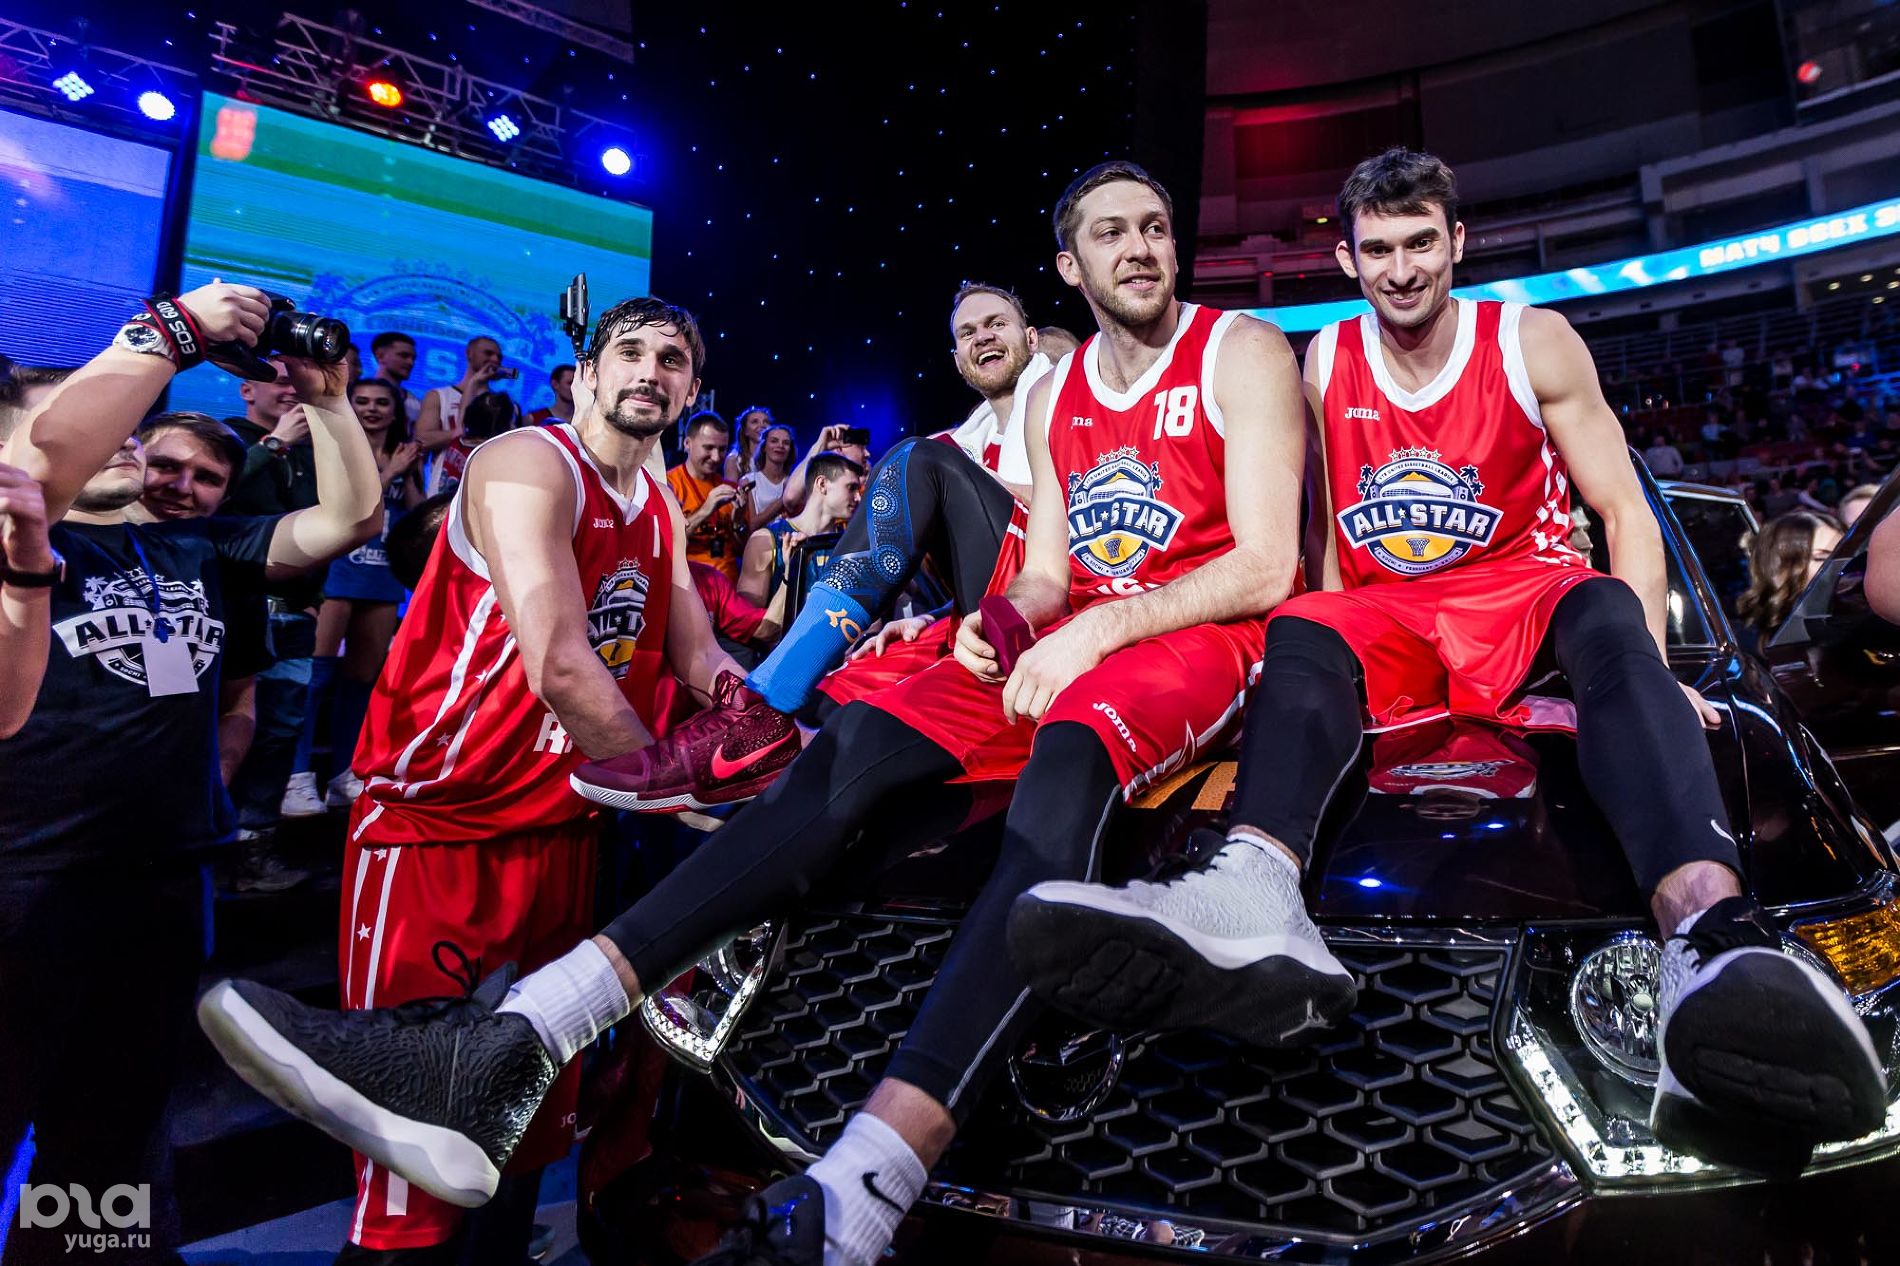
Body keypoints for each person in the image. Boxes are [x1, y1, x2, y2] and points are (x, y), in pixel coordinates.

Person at [195, 160, 1309, 1266]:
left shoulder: (1232, 351)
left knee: (1040, 757)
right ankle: (518, 1036)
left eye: (1155, 226)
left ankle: (863, 1186)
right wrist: (1002, 622)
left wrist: (1054, 633)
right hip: (466, 805)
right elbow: (1045, 573)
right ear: (1070, 262)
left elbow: (1263, 565)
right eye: (1110, 232)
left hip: (1176, 643)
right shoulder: (541, 462)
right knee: (855, 746)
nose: (1138, 248)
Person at [1008, 146, 1885, 1175]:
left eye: (1420, 242)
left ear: (1457, 241)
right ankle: (1255, 893)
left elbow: (1621, 512)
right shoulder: (1323, 360)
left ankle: (1709, 937)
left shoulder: (1531, 341)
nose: (1402, 269)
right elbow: (1323, 549)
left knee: (1602, 603)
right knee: (1307, 620)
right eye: (1378, 249)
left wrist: (1651, 671)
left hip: (1526, 591)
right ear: (1346, 258)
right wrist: (1307, 662)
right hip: (1396, 615)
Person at [199, 295, 798, 1263]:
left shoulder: (656, 506)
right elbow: (560, 663)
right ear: (588, 373)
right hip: (439, 826)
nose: (651, 371)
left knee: (520, 1133)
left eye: (673, 359)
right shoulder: (527, 462)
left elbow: (699, 656)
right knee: (415, 1159)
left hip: (564, 828)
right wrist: (681, 792)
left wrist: (772, 732)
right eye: (631, 352)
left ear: (695, 389)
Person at [1, 282, 382, 1265]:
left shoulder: (196, 546)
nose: (127, 440)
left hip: (167, 879)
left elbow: (347, 519)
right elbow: (44, 460)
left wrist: (331, 401)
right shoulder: (29, 544)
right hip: (27, 878)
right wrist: (170, 332)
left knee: (113, 1135)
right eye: (114, 425)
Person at [618, 280, 1060, 809]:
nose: (982, 337)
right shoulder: (968, 439)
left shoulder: (1065, 398)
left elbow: (1075, 527)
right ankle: (755, 766)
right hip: (980, 615)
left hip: (1054, 609)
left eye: (996, 324)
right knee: (834, 698)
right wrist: (929, 617)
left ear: (1032, 339)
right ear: (957, 358)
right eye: (967, 332)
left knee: (919, 458)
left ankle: (761, 701)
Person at [282, 377, 424, 816]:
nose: (372, 408)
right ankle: (297, 776)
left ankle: (343, 772)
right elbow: (344, 506)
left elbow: (418, 515)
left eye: (381, 402)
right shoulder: (336, 448)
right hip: (337, 569)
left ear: (395, 410)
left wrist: (407, 472)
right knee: (316, 677)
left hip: (382, 573)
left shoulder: (404, 453)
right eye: (361, 401)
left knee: (361, 681)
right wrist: (389, 472)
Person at [131, 413, 276, 799]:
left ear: (225, 496)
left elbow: (237, 706)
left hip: (165, 804)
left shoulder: (231, 575)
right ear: (130, 461)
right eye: (165, 465)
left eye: (207, 478)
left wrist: (214, 785)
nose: (181, 487)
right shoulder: (56, 546)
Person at [736, 450, 865, 610]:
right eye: (851, 488)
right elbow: (749, 619)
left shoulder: (850, 546)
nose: (858, 497)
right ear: (822, 484)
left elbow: (868, 617)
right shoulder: (766, 540)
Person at [1735, 509, 1844, 651]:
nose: (1839, 566)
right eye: (1821, 558)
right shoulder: (1747, 644)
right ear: (1782, 567)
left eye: (1842, 555)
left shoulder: (1854, 622)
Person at [668, 410, 743, 581]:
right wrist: (706, 510)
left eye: (722, 449)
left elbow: (742, 549)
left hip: (728, 584)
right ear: (687, 443)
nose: (716, 457)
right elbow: (667, 542)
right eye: (709, 448)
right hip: (689, 584)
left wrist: (738, 523)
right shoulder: (669, 485)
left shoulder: (730, 488)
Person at [415, 334, 507, 452]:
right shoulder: (439, 396)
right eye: (488, 353)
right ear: (469, 353)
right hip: (448, 462)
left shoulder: (501, 404)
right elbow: (422, 440)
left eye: (499, 357)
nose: (495, 360)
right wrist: (462, 433)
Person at [738, 421, 797, 530]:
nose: (780, 446)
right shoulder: (748, 481)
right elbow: (752, 524)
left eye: (786, 443)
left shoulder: (794, 482)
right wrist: (783, 499)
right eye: (774, 441)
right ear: (764, 447)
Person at [371, 331, 421, 425]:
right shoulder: (354, 395)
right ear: (380, 356)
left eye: (413, 358)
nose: (410, 363)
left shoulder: (416, 404)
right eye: (404, 356)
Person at [723, 404, 774, 483]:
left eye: (766, 422)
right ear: (745, 430)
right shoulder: (733, 460)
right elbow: (730, 489)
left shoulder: (776, 457)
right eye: (755, 422)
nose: (762, 425)